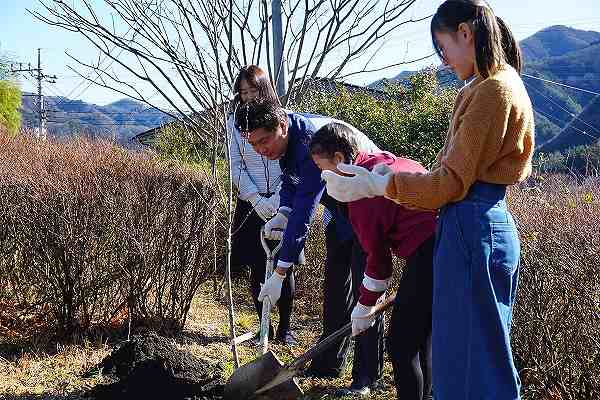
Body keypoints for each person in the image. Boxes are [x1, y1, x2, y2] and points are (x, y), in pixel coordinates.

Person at [321, 1, 534, 399]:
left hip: (473, 227)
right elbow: (448, 177)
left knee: (472, 357)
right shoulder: (488, 86)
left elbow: (450, 183)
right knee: (466, 350)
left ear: (465, 34)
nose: (443, 59)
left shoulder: (492, 90)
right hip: (470, 224)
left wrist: (379, 186)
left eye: (443, 47)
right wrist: (387, 177)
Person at [234, 99, 384, 395]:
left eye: (264, 140)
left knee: (365, 290)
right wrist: (283, 211)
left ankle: (367, 375)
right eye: (253, 144)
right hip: (341, 210)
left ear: (283, 126)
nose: (260, 150)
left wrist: (279, 274)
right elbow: (291, 185)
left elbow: (304, 214)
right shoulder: (284, 143)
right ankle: (329, 362)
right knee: (336, 288)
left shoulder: (309, 142)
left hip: (368, 204)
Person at [309, 122, 437, 400]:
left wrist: (363, 306)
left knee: (402, 345)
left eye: (322, 169)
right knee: (420, 340)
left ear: (340, 160)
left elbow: (378, 265)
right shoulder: (378, 165)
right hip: (446, 245)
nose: (322, 178)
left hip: (430, 252)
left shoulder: (363, 195)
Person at [228, 65, 295, 344]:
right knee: (257, 266)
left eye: (253, 91)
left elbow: (292, 165)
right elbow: (235, 165)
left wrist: (277, 200)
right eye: (243, 92)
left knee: (285, 264)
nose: (248, 97)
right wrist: (255, 199)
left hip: (283, 201)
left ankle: (285, 328)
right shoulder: (235, 124)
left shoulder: (284, 119)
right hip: (251, 203)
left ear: (264, 89)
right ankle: (262, 324)